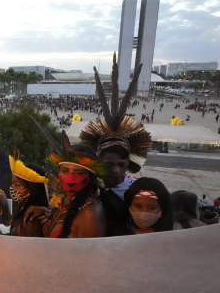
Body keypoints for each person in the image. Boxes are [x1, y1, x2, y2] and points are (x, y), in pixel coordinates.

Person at [79, 54, 152, 235]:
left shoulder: (139, 191)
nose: (117, 170)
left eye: (122, 165)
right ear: (98, 160)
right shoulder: (84, 185)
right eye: (109, 164)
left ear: (129, 162)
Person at [43, 143, 106, 238]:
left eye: (79, 173)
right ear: (58, 172)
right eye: (64, 171)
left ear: (90, 177)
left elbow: (91, 252)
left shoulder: (90, 213)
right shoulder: (59, 201)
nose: (70, 178)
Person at [8, 155, 48, 237]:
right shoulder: (25, 209)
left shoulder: (33, 218)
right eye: (12, 183)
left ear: (32, 189)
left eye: (16, 185)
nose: (12, 188)